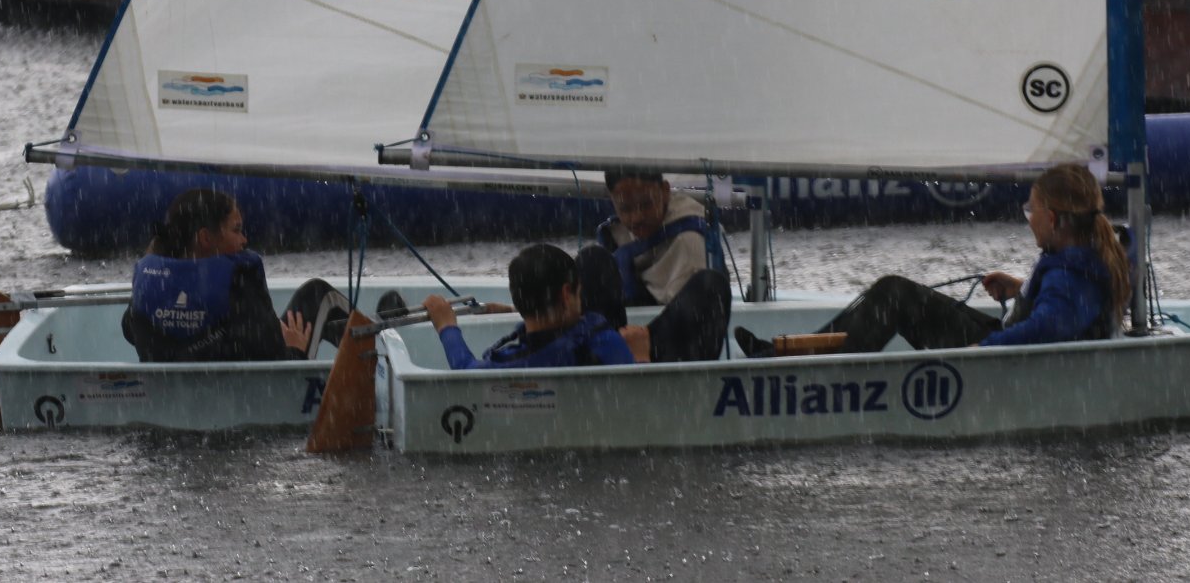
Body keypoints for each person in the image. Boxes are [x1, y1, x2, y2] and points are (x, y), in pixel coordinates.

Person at [735, 162, 1130, 358]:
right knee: (893, 292)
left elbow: (1049, 329)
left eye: (1032, 210)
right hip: (1001, 338)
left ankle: (807, 365)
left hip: (997, 354)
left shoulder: (1071, 275)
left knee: (894, 295)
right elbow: (1057, 311)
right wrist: (1020, 289)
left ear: (1054, 219)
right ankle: (798, 353)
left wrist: (983, 348)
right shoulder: (1077, 262)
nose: (1028, 219)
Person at [121, 188, 369, 363]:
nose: (244, 240)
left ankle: (371, 340)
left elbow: (131, 332)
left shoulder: (150, 287)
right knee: (318, 294)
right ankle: (377, 358)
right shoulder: (238, 285)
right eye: (237, 230)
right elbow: (274, 360)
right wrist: (295, 347)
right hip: (270, 395)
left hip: (182, 397)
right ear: (206, 238)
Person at [580, 170, 732, 362]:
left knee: (709, 285)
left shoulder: (690, 240)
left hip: (672, 347)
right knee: (591, 259)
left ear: (665, 191)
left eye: (646, 205)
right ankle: (601, 360)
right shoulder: (616, 233)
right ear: (612, 200)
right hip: (618, 341)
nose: (636, 218)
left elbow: (694, 319)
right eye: (625, 208)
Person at [422, 243, 637, 370]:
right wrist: (641, 358)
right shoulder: (605, 340)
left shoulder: (512, 363)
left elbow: (466, 369)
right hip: (613, 361)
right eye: (579, 293)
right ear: (566, 294)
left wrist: (446, 326)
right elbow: (639, 398)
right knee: (595, 258)